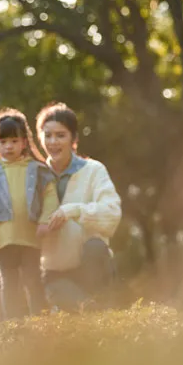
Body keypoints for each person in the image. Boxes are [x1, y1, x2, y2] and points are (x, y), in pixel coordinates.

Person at [0, 109, 60, 318]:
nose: (8, 146)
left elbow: (50, 196)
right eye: (3, 141)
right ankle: (14, 323)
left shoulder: (38, 170)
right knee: (9, 282)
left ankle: (40, 319)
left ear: (24, 142)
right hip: (3, 236)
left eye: (14, 140)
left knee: (33, 279)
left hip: (30, 234)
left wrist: (46, 220)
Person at [36, 103, 122, 312]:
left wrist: (72, 211)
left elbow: (112, 214)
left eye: (60, 135)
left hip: (92, 265)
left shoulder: (94, 170)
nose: (53, 142)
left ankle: (104, 311)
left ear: (74, 139)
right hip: (54, 272)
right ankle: (90, 310)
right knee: (83, 308)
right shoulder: (35, 176)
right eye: (47, 136)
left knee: (95, 246)